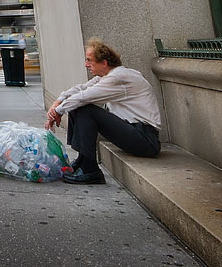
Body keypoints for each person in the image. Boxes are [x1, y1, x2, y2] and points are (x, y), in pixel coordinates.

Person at [44, 38, 161, 185]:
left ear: (104, 63)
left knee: (85, 109)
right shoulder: (108, 76)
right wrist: (57, 103)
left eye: (89, 60)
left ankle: (91, 171)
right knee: (78, 105)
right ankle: (82, 161)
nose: (86, 65)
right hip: (134, 132)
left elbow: (83, 97)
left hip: (145, 140)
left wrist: (57, 112)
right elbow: (80, 89)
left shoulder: (119, 77)